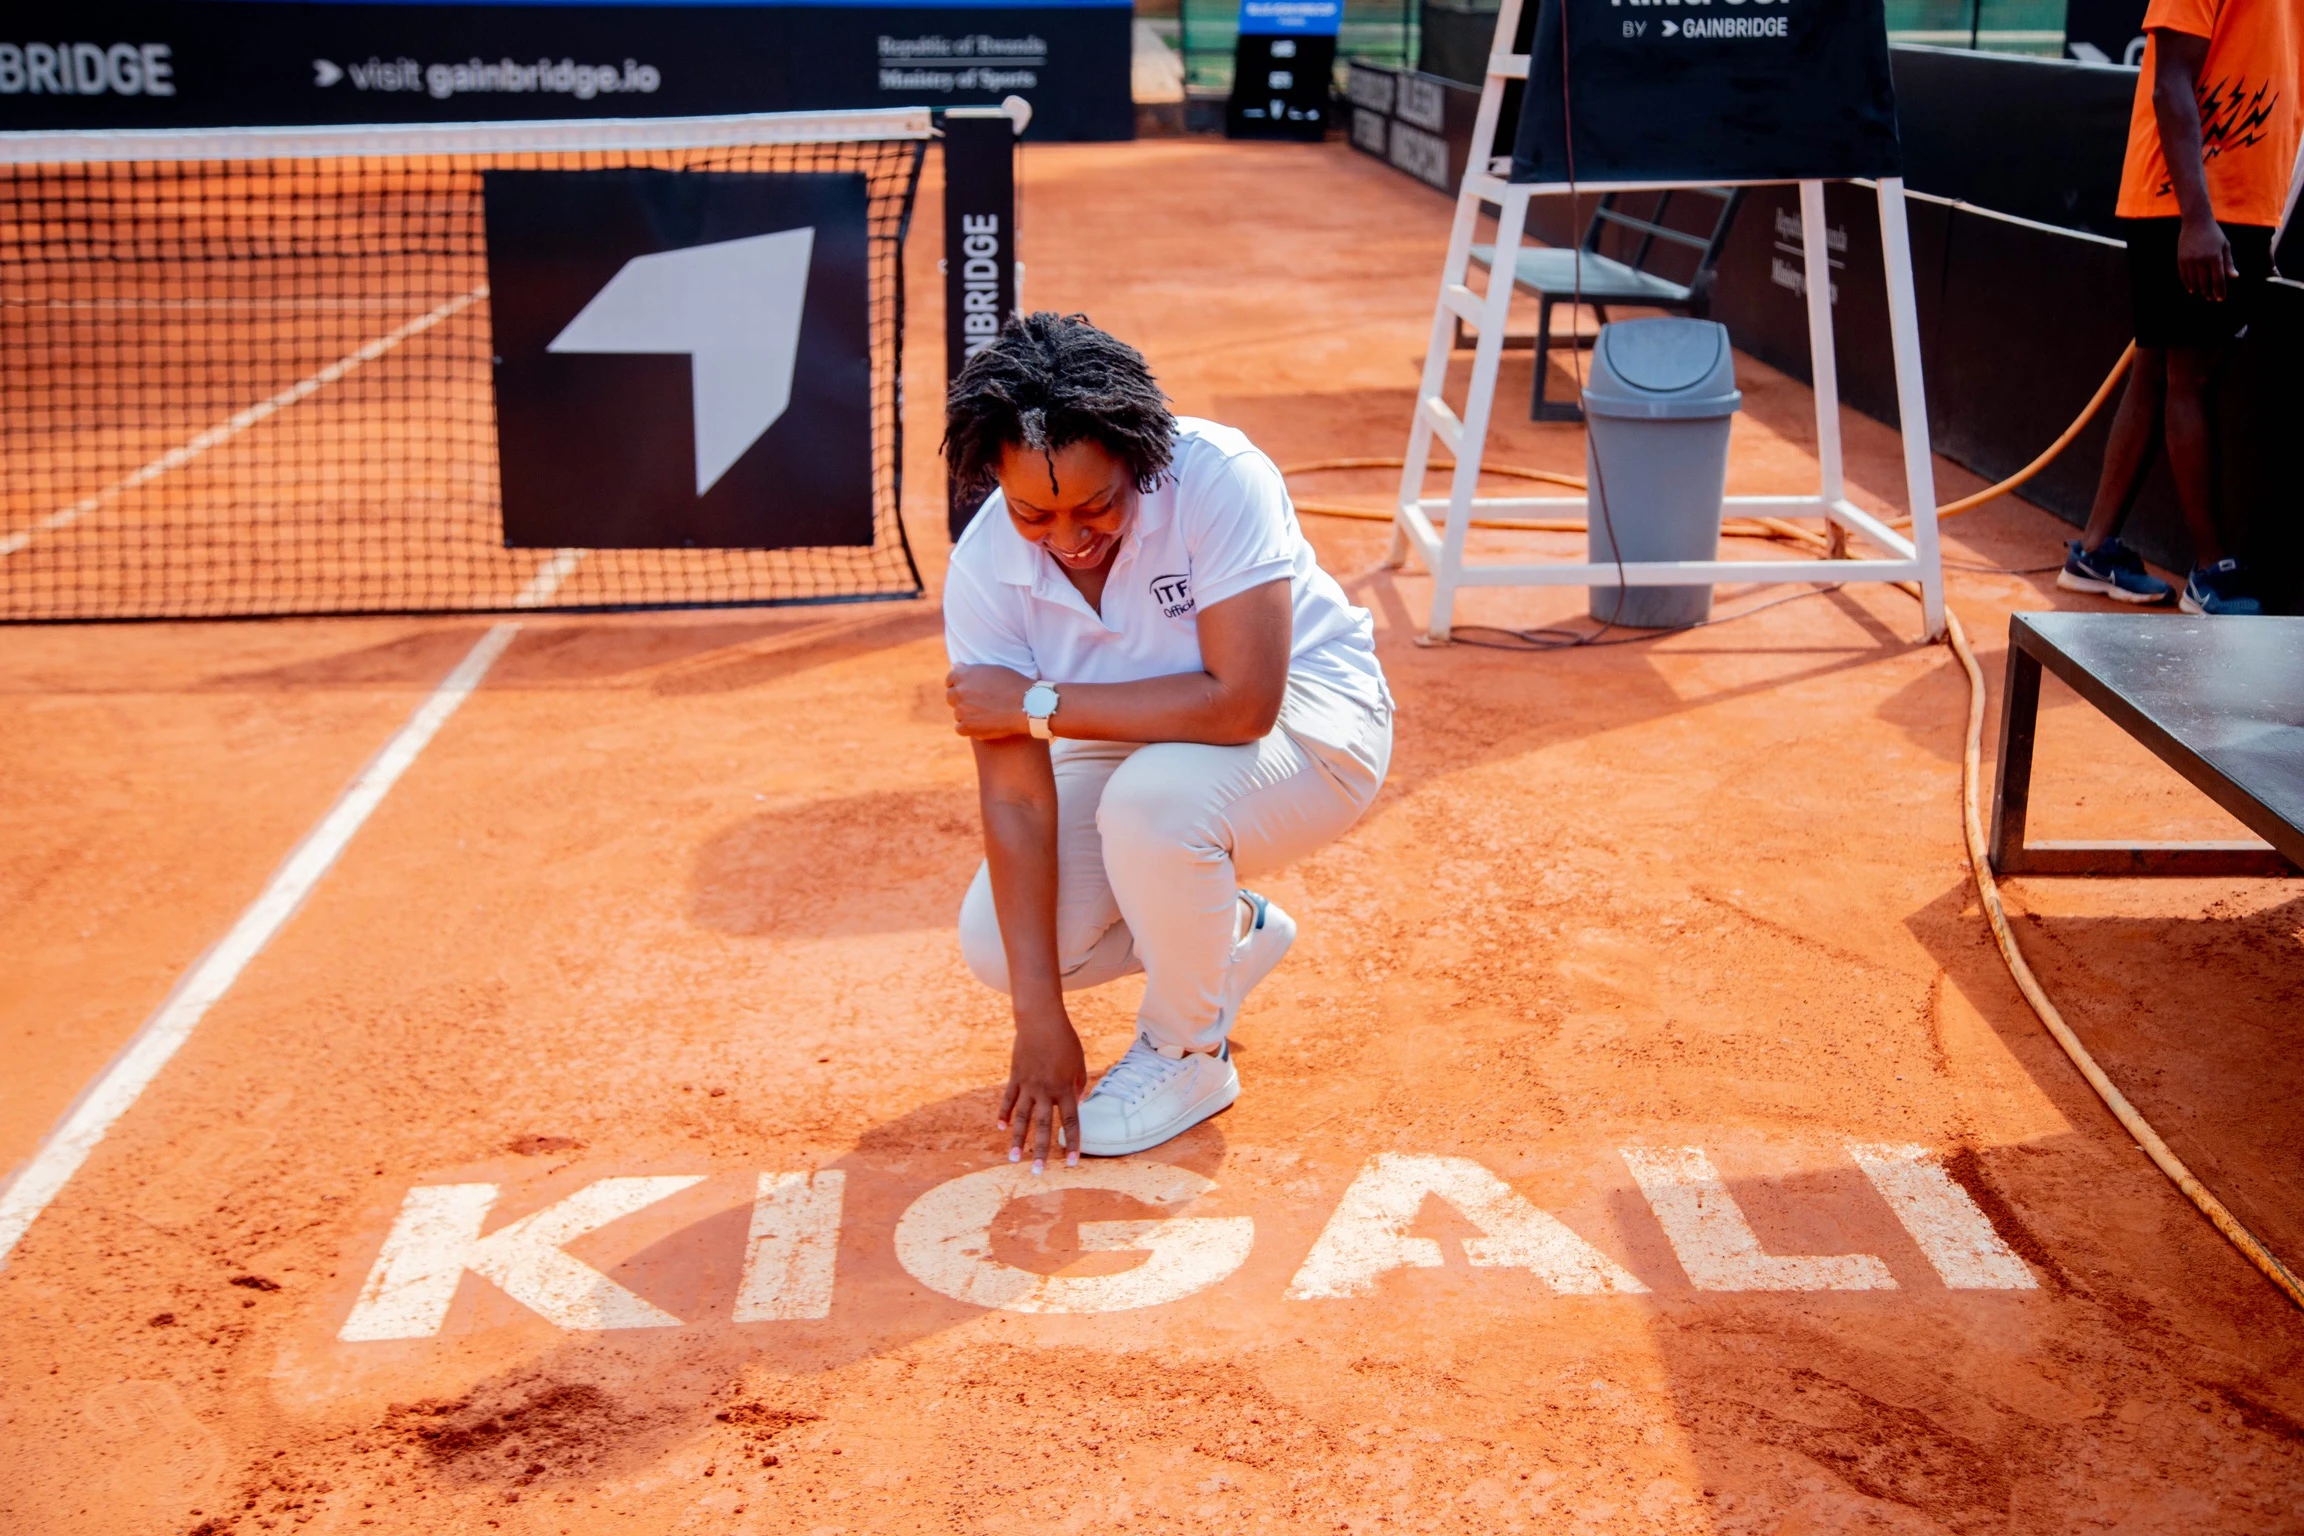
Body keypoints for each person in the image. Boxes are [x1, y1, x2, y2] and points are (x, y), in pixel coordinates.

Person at [940, 313, 1393, 1170]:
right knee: (1000, 947)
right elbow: (1016, 797)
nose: (1069, 538)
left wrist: (1034, 704)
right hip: (1120, 738)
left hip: (1311, 725)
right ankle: (1227, 931)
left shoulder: (1218, 476)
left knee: (1152, 809)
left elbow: (1242, 705)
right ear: (995, 479)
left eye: (1097, 504)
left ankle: (1188, 1051)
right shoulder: (983, 569)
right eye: (1034, 512)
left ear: (1137, 458)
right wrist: (1038, 1017)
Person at [2060, 0, 2297, 616]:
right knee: (2191, 376)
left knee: (2157, 369)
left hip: (2242, 204)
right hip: (2191, 206)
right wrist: (2196, 219)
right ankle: (2212, 570)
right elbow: (2170, 84)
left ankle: (2094, 549)